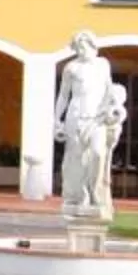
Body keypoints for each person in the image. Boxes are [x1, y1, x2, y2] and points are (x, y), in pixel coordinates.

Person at [55, 31, 117, 219]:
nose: (81, 51)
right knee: (77, 158)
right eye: (78, 48)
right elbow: (64, 95)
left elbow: (109, 88)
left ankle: (96, 192)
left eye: (84, 47)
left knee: (98, 154)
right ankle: (81, 196)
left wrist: (112, 108)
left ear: (93, 46)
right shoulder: (71, 68)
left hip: (97, 118)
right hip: (75, 116)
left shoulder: (103, 64)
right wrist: (57, 119)